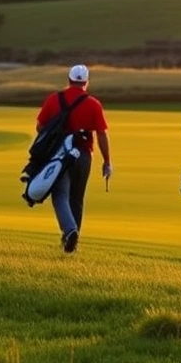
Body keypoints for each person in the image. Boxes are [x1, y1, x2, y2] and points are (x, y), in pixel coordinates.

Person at [35, 64, 112, 253]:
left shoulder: (54, 99)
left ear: (69, 80)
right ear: (86, 82)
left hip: (59, 155)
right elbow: (101, 134)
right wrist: (107, 161)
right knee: (76, 199)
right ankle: (72, 242)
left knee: (60, 195)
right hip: (84, 155)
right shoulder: (93, 103)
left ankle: (70, 232)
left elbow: (39, 126)